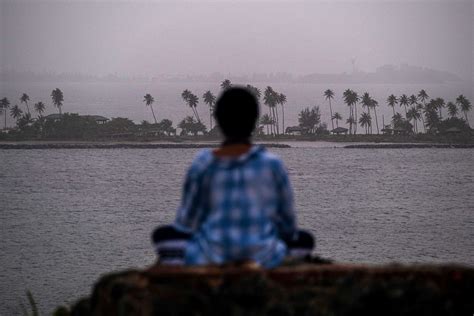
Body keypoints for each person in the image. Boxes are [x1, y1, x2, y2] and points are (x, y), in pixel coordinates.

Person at [152, 87, 314, 268]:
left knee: (162, 235)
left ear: (219, 122)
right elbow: (288, 226)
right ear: (254, 122)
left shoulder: (203, 163)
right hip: (264, 257)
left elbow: (187, 223)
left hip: (209, 256)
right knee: (305, 240)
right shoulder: (273, 164)